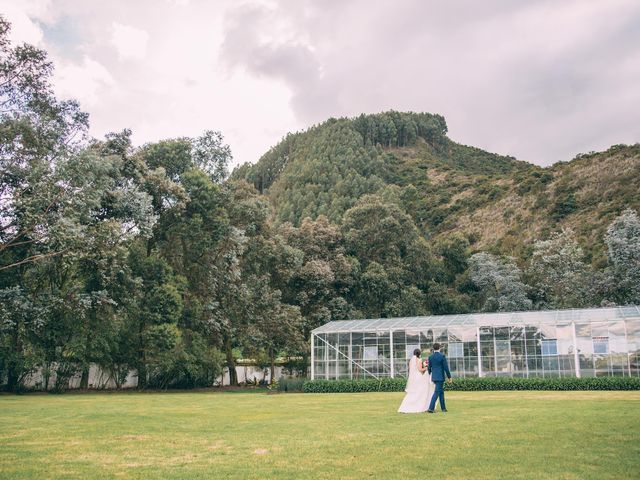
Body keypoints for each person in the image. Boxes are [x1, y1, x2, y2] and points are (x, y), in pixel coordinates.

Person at [398, 348, 434, 413]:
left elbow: (411, 369)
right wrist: (427, 367)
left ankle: (404, 407)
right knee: (420, 392)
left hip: (413, 378)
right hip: (419, 377)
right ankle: (420, 406)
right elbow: (420, 370)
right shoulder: (419, 360)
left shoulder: (411, 360)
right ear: (419, 353)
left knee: (412, 393)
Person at [427, 343, 452, 413]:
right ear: (439, 348)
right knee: (437, 392)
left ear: (433, 348)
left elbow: (429, 368)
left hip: (434, 377)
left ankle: (443, 408)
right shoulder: (442, 356)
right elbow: (446, 368)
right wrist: (449, 377)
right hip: (440, 377)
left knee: (441, 393)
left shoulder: (430, 357)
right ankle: (431, 408)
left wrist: (430, 375)